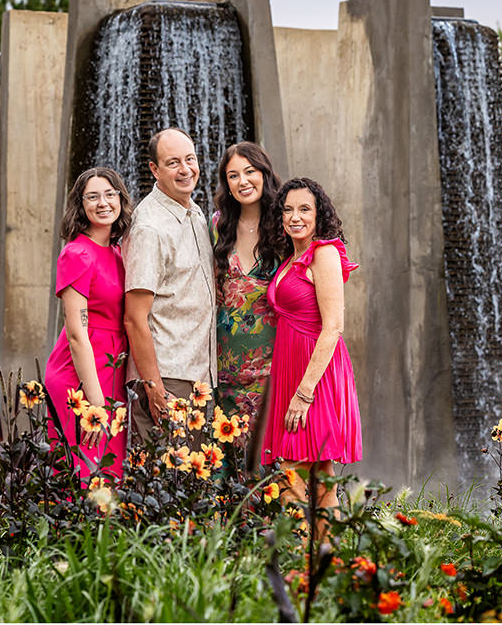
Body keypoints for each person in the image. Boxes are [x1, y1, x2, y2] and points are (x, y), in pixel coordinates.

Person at [261, 177, 362, 527]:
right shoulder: (293, 256)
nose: (295, 217)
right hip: (293, 369)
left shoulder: (324, 253)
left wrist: (304, 393)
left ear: (320, 214)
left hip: (314, 377)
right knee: (321, 472)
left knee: (291, 474)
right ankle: (325, 566)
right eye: (288, 210)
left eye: (305, 209)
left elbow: (333, 326)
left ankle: (297, 565)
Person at [123, 127, 216, 449]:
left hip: (198, 374)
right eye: (173, 162)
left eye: (190, 159)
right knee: (164, 487)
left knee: (191, 486)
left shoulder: (195, 213)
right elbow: (135, 318)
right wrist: (154, 388)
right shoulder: (149, 227)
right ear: (154, 170)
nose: (185, 169)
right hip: (168, 376)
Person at [45, 167, 132, 481]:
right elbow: (76, 332)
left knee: (109, 467)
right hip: (80, 373)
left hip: (112, 366)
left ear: (121, 199)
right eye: (92, 197)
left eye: (110, 194)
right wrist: (94, 399)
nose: (103, 202)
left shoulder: (118, 252)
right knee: (84, 471)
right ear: (80, 206)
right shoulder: (77, 254)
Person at [211, 142, 283, 448]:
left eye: (250, 171)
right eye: (233, 175)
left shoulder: (285, 224)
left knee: (274, 464)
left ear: (264, 172)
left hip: (274, 365)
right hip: (227, 367)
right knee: (231, 465)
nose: (243, 181)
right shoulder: (217, 225)